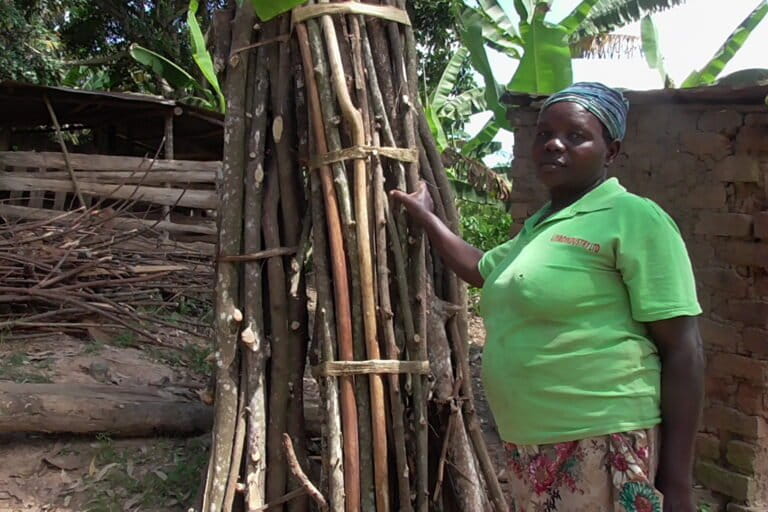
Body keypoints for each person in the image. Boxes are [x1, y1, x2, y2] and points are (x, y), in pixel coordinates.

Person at [392, 82, 704, 512]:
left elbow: (683, 348)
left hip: (602, 439)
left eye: (575, 136)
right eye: (543, 134)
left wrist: (678, 484)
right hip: (528, 445)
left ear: (610, 151)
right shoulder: (539, 227)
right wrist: (427, 218)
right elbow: (481, 267)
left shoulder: (634, 218)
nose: (553, 144)